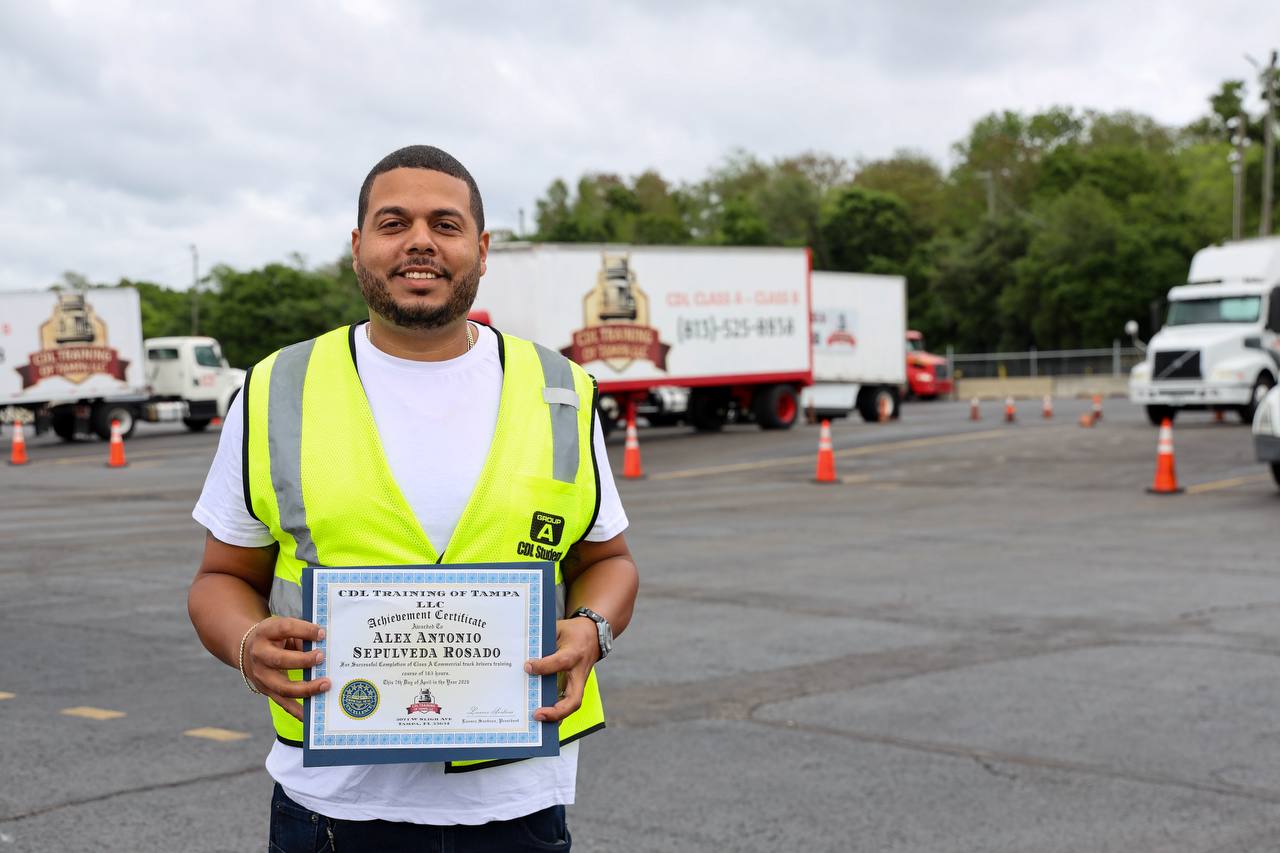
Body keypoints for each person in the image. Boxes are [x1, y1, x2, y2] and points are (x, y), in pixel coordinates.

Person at [188, 145, 639, 852]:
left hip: (517, 804)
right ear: (358, 245)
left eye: (446, 224)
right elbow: (222, 577)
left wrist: (591, 626)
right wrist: (246, 642)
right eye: (394, 222)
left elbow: (608, 559)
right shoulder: (276, 388)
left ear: (482, 249)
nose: (420, 241)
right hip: (332, 809)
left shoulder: (561, 389)